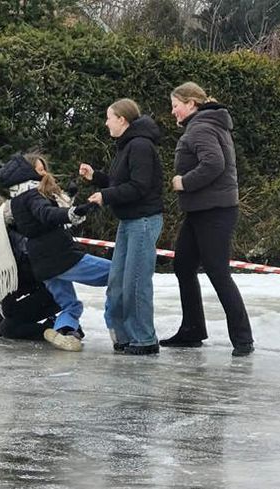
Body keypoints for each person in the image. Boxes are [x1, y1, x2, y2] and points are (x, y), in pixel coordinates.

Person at [161, 82, 254, 356]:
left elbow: (214, 163)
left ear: (191, 104)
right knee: (184, 265)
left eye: (175, 105)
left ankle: (243, 339)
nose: (173, 111)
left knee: (217, 271)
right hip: (203, 209)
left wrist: (184, 182)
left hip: (214, 211)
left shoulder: (201, 127)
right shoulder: (207, 124)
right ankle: (192, 330)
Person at [79, 98, 165, 356]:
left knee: (135, 282)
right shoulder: (126, 146)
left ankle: (144, 339)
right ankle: (124, 337)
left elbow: (139, 186)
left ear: (122, 120)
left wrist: (106, 196)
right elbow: (120, 182)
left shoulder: (139, 146)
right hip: (129, 221)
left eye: (109, 117)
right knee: (117, 283)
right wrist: (96, 178)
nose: (106, 123)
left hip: (144, 221)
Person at [2, 152, 107, 352]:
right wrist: (73, 213)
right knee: (119, 272)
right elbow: (46, 213)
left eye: (44, 169)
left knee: (70, 306)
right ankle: (118, 324)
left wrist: (71, 201)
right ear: (27, 172)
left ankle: (65, 332)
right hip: (60, 257)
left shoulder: (16, 201)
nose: (44, 174)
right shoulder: (32, 195)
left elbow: (46, 212)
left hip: (42, 265)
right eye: (39, 170)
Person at [0, 192, 73, 350]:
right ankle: (50, 323)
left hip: (52, 292)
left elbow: (30, 274)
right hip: (38, 290)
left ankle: (57, 330)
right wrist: (3, 301)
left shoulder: (9, 239)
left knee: (8, 327)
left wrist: (9, 299)